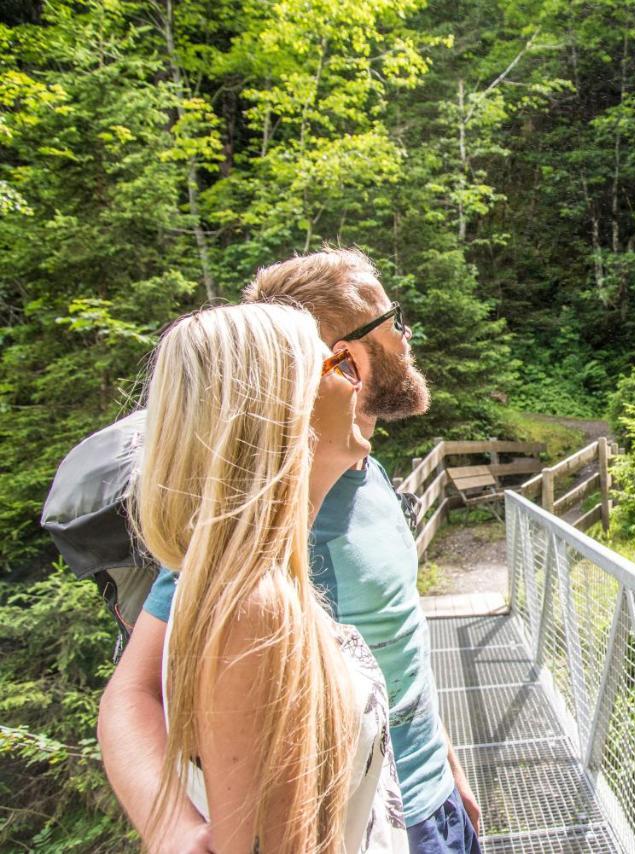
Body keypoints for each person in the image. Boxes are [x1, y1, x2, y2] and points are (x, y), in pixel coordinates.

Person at [99, 249, 480, 853]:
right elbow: (133, 690)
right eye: (393, 319)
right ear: (335, 354)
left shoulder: (361, 465)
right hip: (372, 823)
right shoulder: (255, 536)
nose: (407, 337)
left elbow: (398, 645)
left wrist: (446, 762)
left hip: (429, 794)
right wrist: (172, 825)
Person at [131, 302, 405, 851]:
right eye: (339, 369)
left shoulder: (247, 581)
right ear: (280, 411)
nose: (358, 386)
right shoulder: (255, 608)